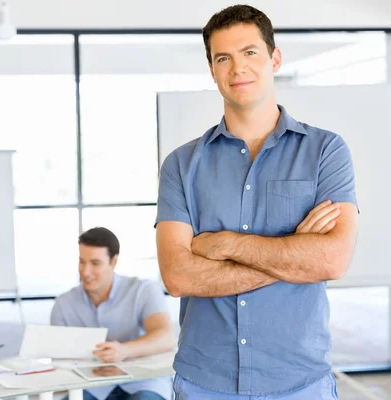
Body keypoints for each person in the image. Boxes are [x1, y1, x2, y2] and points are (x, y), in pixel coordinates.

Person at [155, 5, 359, 400]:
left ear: (274, 58)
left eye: (250, 53)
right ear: (212, 70)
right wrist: (293, 256)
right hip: (204, 382)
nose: (237, 69)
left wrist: (225, 245)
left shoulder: (325, 152)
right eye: (223, 58)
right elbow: (179, 277)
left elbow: (331, 260)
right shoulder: (180, 164)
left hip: (299, 382)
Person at [51, 227, 175, 400]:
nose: (85, 272)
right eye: (82, 262)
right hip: (91, 385)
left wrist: (124, 350)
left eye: (95, 263)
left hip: (142, 381)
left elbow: (165, 337)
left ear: (113, 261)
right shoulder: (64, 303)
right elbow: (57, 355)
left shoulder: (143, 291)